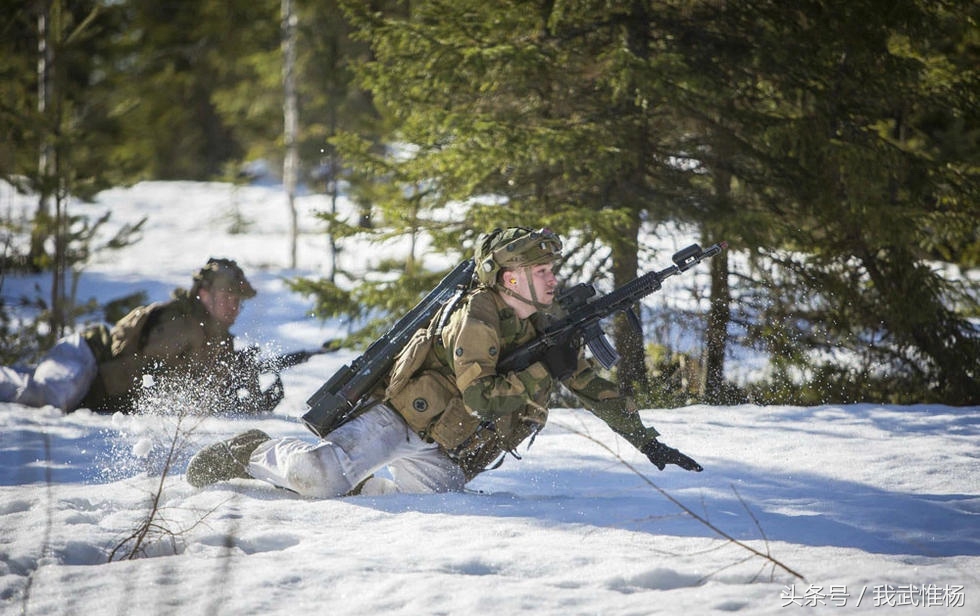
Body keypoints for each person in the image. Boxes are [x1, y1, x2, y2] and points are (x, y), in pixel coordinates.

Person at [186, 228, 701, 495]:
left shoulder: (545, 321)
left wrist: (646, 440)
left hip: (449, 451)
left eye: (552, 269)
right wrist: (548, 369)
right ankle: (257, 452)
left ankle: (364, 478)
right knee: (318, 479)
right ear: (509, 278)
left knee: (419, 509)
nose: (552, 279)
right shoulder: (475, 315)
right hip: (401, 419)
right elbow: (481, 397)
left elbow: (589, 384)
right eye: (540, 270)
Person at [0, 258, 282, 414]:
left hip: (94, 390)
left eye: (238, 299)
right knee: (46, 396)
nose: (234, 305)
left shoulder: (216, 339)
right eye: (227, 296)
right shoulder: (182, 323)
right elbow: (154, 374)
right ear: (203, 294)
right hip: (86, 357)